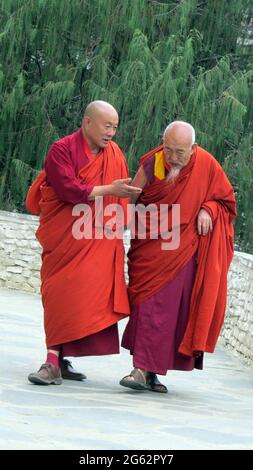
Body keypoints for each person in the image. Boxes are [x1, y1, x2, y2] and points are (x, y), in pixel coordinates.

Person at [26, 100, 142, 385]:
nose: (111, 133)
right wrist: (109, 190)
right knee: (58, 292)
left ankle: (58, 360)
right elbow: (67, 189)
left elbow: (121, 197)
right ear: (88, 122)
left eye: (114, 127)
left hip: (97, 238)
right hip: (65, 235)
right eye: (106, 126)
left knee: (84, 298)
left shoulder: (113, 153)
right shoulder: (61, 149)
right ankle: (51, 361)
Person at [120, 121, 236, 393]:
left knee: (171, 313)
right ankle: (143, 368)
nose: (172, 158)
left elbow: (226, 202)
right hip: (151, 248)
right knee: (148, 307)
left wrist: (208, 208)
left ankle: (147, 371)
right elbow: (131, 200)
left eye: (180, 152)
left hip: (183, 251)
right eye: (168, 149)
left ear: (193, 149)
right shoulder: (153, 163)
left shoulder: (207, 165)